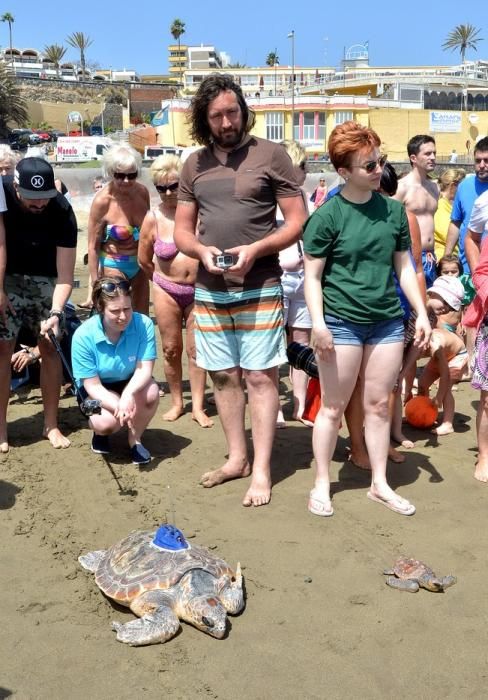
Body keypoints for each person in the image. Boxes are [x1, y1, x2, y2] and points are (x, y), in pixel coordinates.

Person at [173, 73, 306, 507]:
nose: (227, 122)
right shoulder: (193, 164)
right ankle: (237, 457)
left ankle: (262, 469)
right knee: (225, 375)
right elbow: (181, 231)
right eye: (217, 115)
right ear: (204, 119)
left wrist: (256, 249)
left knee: (261, 377)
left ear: (244, 110)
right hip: (212, 288)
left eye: (232, 112)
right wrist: (201, 251)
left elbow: (296, 220)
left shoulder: (272, 155)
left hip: (261, 282)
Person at [303, 121, 431, 518]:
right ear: (344, 172)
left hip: (388, 321)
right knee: (333, 407)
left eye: (380, 162)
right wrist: (319, 325)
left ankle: (379, 483)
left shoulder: (393, 211)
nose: (378, 170)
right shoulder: (327, 216)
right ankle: (322, 482)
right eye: (369, 165)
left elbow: (404, 268)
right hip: (340, 321)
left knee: (377, 404)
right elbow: (312, 277)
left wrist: (422, 312)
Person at [0, 157, 77, 451]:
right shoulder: (2, 192)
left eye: (44, 197)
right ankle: (1, 429)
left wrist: (57, 312)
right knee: (2, 347)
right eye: (31, 198)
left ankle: (51, 425)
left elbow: (66, 276)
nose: (38, 204)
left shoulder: (62, 210)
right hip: (6, 277)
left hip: (47, 278)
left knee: (50, 345)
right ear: (16, 186)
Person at [138, 154, 213, 428]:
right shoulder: (153, 217)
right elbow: (144, 259)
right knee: (170, 349)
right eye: (162, 188)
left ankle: (198, 406)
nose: (168, 192)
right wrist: (159, 281)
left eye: (174, 185)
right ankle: (177, 403)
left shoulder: (200, 212)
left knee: (196, 349)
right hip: (166, 289)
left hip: (198, 289)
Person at [71, 276, 159, 465]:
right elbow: (92, 385)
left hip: (129, 381)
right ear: (100, 308)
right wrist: (119, 405)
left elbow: (144, 370)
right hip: (95, 390)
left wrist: (127, 395)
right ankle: (99, 434)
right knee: (106, 423)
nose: (123, 316)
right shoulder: (83, 335)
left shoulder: (144, 324)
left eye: (127, 309)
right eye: (115, 311)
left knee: (151, 392)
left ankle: (135, 440)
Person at [87, 144, 150, 313]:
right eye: (120, 176)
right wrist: (95, 284)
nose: (126, 180)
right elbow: (93, 246)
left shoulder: (143, 193)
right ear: (111, 173)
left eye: (132, 175)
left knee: (141, 318)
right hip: (114, 263)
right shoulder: (102, 202)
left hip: (140, 265)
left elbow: (148, 233)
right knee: (118, 316)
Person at [275, 140, 312, 425]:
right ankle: (274, 407)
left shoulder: (304, 196)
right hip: (277, 277)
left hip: (303, 278)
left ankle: (299, 405)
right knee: (273, 345)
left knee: (302, 343)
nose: (305, 172)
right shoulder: (269, 199)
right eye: (302, 167)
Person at [402, 276, 466, 436]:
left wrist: (438, 397)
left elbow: (444, 374)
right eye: (445, 303)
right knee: (423, 384)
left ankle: (447, 422)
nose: (446, 309)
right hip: (441, 356)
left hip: (457, 356)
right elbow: (411, 358)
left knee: (446, 390)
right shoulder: (423, 330)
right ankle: (421, 413)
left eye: (450, 307)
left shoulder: (434, 345)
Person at [394, 135, 439, 287]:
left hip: (431, 256)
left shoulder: (434, 188)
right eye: (427, 154)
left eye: (434, 153)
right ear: (413, 158)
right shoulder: (401, 188)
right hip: (409, 257)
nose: (433, 157)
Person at [445, 137, 488, 274]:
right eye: (478, 160)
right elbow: (456, 223)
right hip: (467, 267)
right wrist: (447, 256)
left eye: (486, 160)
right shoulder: (464, 186)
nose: (481, 165)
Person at [433, 168, 466, 261]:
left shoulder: (453, 205)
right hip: (442, 261)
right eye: (463, 186)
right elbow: (445, 233)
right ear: (453, 185)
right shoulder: (440, 205)